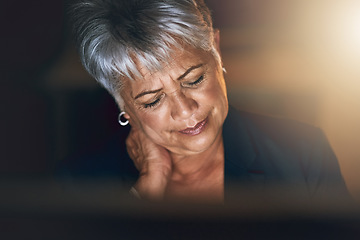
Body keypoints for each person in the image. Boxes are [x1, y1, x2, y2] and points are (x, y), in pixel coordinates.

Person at [68, 0, 349, 203]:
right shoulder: (81, 186)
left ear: (216, 50)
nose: (185, 110)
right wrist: (147, 191)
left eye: (193, 80)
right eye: (153, 100)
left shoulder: (303, 155)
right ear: (123, 105)